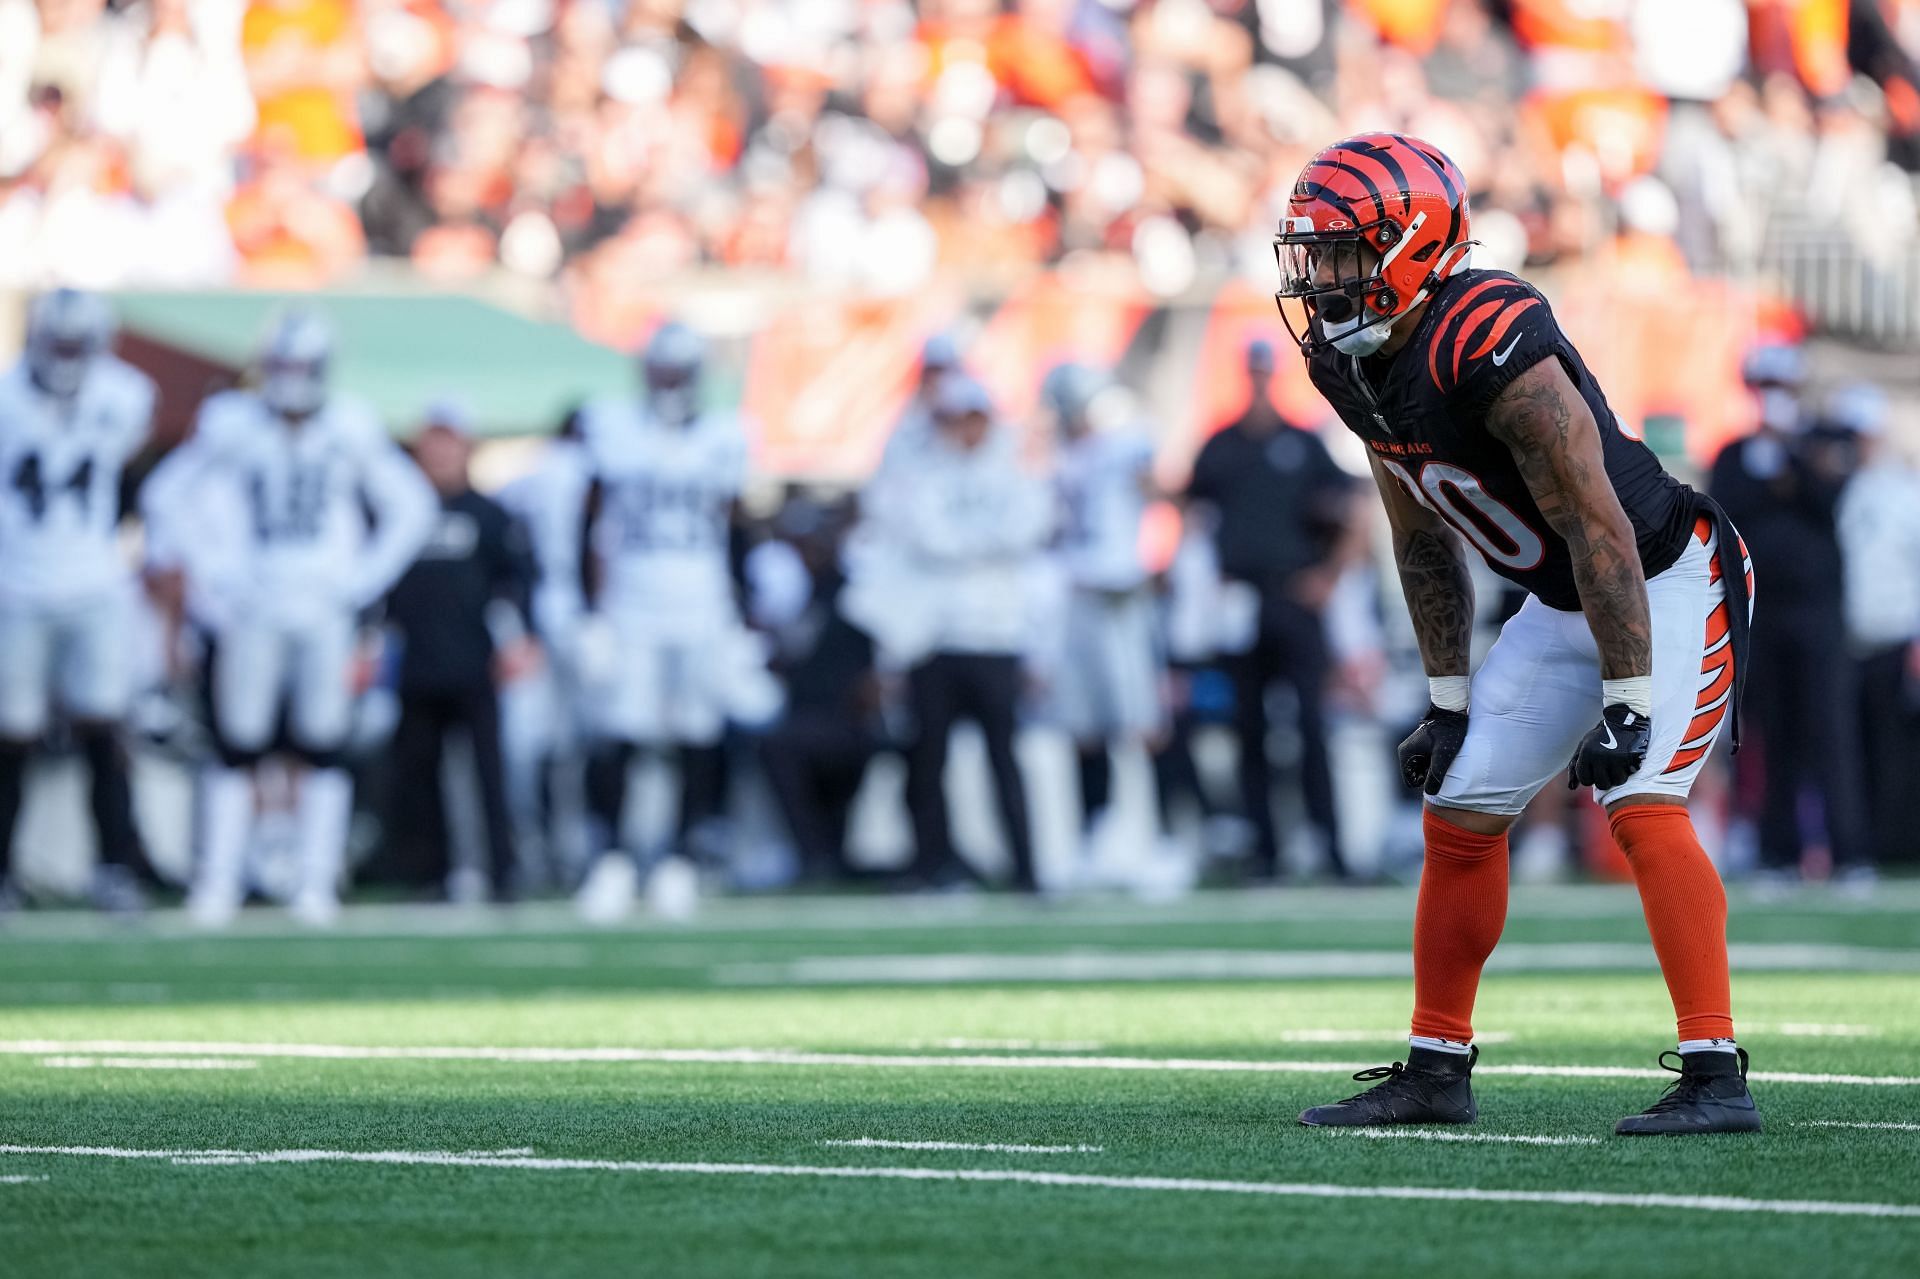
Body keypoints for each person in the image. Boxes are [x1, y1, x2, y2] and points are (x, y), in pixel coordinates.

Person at [1275, 133, 1760, 1135]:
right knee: (1459, 806)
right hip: (1563, 596)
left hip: (1663, 573)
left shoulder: (1490, 335)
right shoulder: (1350, 363)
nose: (1323, 279)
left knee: (1641, 801)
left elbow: (1600, 526)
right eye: (1312, 255)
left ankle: (1716, 1072)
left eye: (1344, 254)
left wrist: (1627, 700)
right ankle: (1437, 1066)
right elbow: (1418, 531)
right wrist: (1445, 699)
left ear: (1413, 246)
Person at [143, 309, 436, 927]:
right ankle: (218, 884)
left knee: (321, 743)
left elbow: (411, 506)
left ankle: (314, 884)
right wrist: (217, 572)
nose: (295, 380)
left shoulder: (350, 425)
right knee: (238, 742)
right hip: (254, 604)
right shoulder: (234, 424)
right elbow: (166, 497)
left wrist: (361, 579)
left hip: (321, 607)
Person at [570, 321, 764, 921]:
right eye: (661, 372)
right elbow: (592, 525)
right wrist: (590, 610)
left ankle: (680, 858)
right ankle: (614, 859)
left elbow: (735, 527)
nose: (669, 383)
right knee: (619, 733)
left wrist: (741, 612)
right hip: (632, 605)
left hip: (701, 605)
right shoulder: (614, 429)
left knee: (697, 734)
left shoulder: (725, 437)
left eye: (678, 373)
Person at [0, 290, 157, 913]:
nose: (65, 360)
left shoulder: (126, 395)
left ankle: (116, 865)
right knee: (12, 733)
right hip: (17, 584)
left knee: (104, 725)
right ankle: (4, 870)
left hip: (95, 584)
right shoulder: (7, 396)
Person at [1185, 337, 1355, 882]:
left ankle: (1329, 846)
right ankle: (1266, 852)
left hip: (1292, 596)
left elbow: (1351, 509)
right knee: (1248, 727)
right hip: (1240, 598)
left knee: (1311, 724)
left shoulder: (1302, 445)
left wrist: (1328, 576)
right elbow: (1190, 513)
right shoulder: (1221, 446)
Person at [1708, 345, 1866, 883]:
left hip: (1819, 613)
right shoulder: (1734, 453)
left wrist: (1791, 457)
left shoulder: (1826, 441)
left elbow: (1828, 499)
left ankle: (1846, 854)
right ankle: (1777, 852)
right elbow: (1726, 510)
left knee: (1829, 732)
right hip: (1762, 613)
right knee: (1772, 735)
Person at [888, 375, 1050, 892]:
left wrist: (963, 546)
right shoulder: (926, 474)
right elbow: (921, 536)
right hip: (937, 636)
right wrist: (984, 546)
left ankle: (1027, 869)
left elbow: (1026, 531)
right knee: (927, 760)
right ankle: (932, 866)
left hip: (997, 637)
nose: (965, 429)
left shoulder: (1015, 473)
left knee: (1005, 759)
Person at [375, 403, 537, 902]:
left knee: (489, 772)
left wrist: (520, 640)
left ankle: (501, 870)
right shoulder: (400, 511)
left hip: (474, 662)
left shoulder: (488, 514)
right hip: (415, 662)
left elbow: (517, 583)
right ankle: (429, 873)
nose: (440, 453)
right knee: (419, 774)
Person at [1040, 362, 1169, 871]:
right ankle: (1096, 835)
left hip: (1121, 595)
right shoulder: (1060, 458)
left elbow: (1155, 490)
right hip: (1077, 597)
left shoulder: (1121, 443)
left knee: (1140, 721)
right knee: (1084, 726)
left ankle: (1152, 837)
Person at [1832, 383, 1920, 878]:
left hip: (1892, 636)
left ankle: (1895, 843)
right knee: (1849, 749)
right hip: (1843, 638)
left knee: (1893, 748)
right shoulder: (1832, 488)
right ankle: (1859, 844)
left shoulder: (1903, 491)